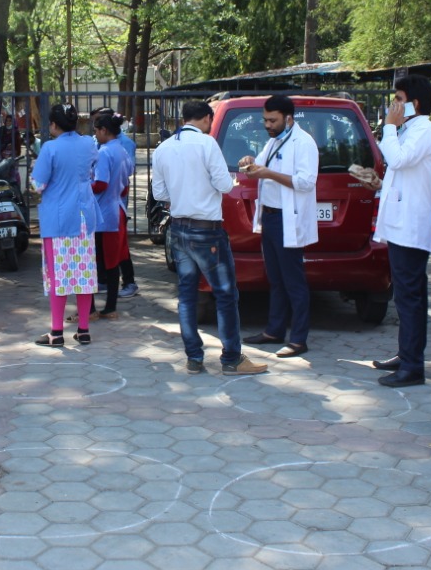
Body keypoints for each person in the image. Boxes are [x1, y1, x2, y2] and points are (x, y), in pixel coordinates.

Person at [151, 101, 267, 376]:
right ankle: (231, 358)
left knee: (187, 296)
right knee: (226, 294)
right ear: (206, 119)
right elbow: (225, 185)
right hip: (207, 230)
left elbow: (159, 194)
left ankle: (194, 357)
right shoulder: (207, 144)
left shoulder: (164, 148)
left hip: (178, 229)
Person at [364, 74, 431, 388]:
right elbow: (401, 173)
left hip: (411, 227)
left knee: (410, 298)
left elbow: (397, 157)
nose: (393, 106)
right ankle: (407, 354)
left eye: (398, 99)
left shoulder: (425, 130)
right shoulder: (410, 130)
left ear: (415, 103)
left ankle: (413, 366)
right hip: (400, 225)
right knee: (407, 296)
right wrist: (380, 185)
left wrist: (389, 126)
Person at [238, 94, 319, 358]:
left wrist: (268, 174)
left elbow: (306, 182)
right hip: (271, 217)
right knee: (275, 279)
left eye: (272, 120)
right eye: (265, 120)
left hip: (289, 218)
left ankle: (298, 339)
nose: (267, 125)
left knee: (293, 280)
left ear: (289, 118)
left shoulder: (303, 142)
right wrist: (249, 162)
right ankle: (274, 331)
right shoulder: (274, 141)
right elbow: (260, 166)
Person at [30, 103, 100, 346]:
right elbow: (91, 173)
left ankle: (56, 332)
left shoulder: (50, 148)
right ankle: (83, 330)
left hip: (58, 219)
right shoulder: (89, 144)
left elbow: (37, 185)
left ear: (53, 125)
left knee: (58, 276)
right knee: (84, 275)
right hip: (84, 217)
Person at [94, 107, 140, 298]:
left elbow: (101, 184)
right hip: (117, 206)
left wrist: (82, 188)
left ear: (104, 130)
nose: (95, 135)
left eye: (96, 130)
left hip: (104, 210)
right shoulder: (121, 149)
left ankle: (112, 299)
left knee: (109, 255)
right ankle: (109, 287)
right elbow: (126, 183)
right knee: (116, 251)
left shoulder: (105, 152)